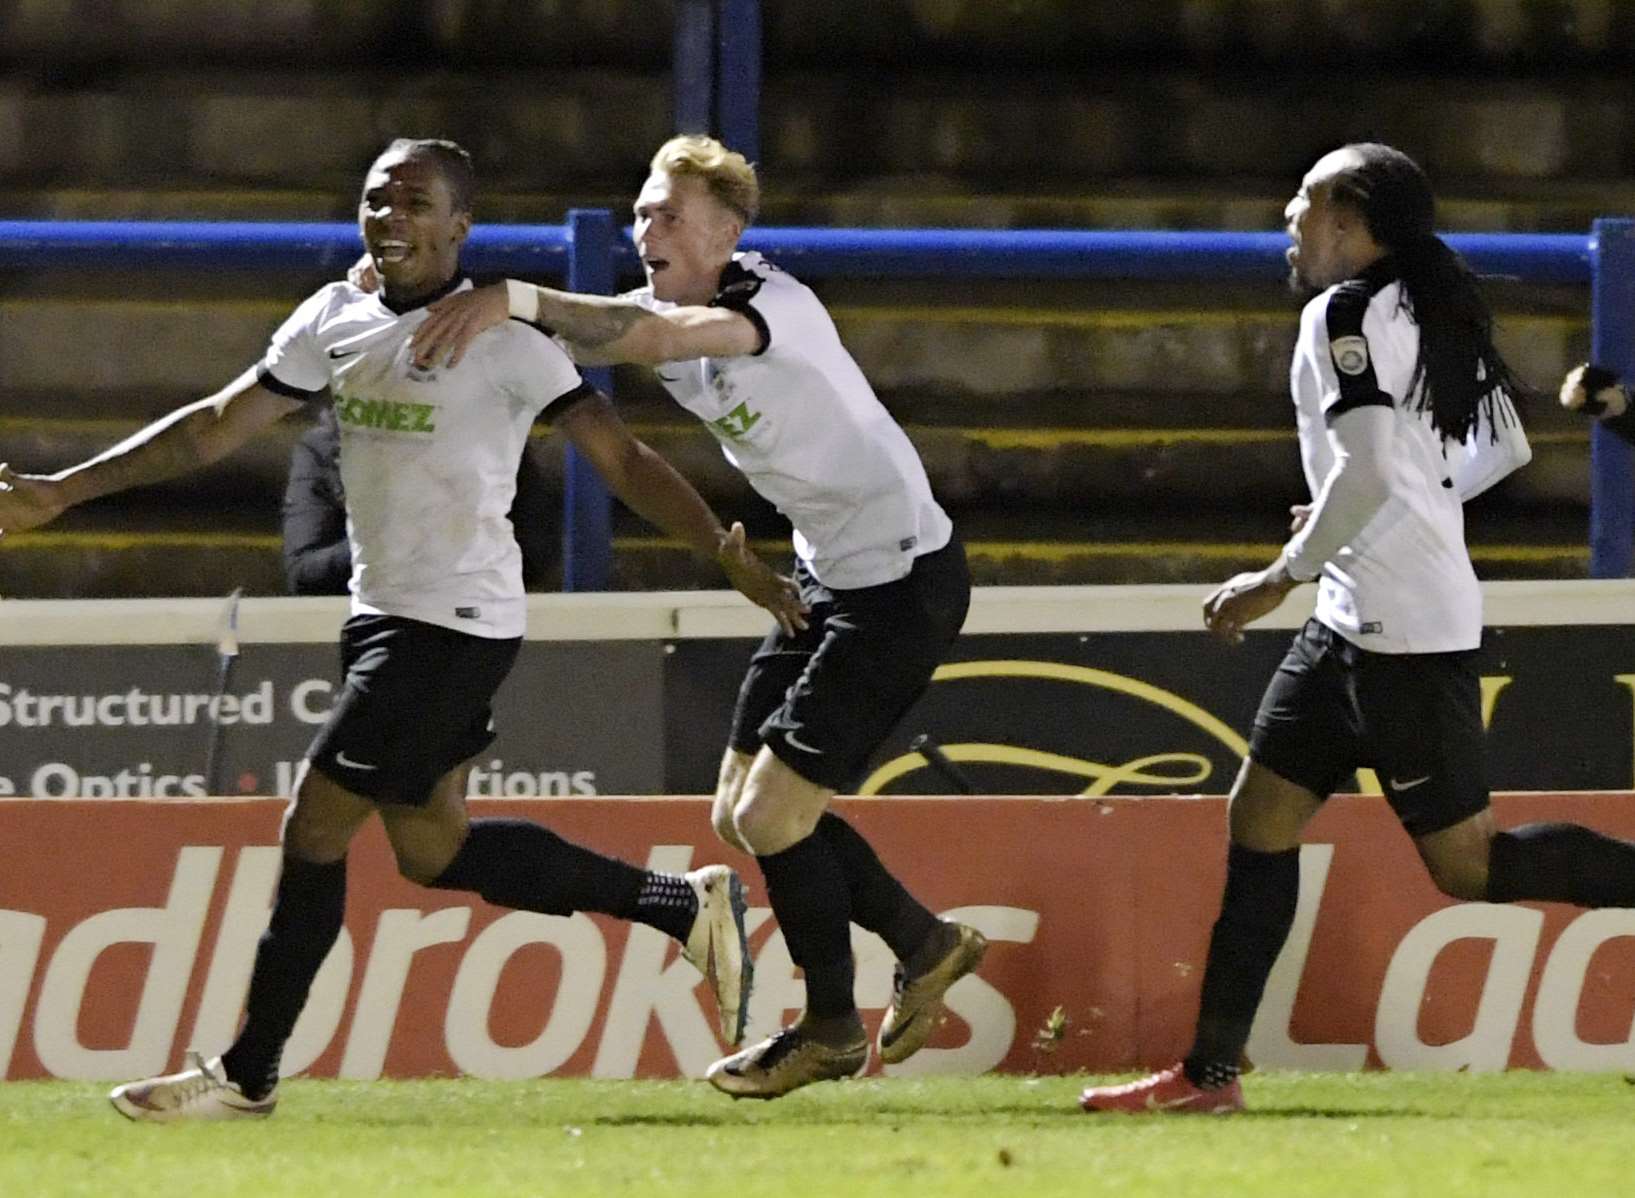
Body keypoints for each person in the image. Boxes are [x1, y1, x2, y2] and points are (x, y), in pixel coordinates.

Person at [0, 137, 807, 1121]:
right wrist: (65, 491)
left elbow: (623, 458)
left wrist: (727, 554)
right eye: (376, 201)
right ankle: (683, 903)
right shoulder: (331, 317)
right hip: (383, 615)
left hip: (456, 624)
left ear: (460, 227)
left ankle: (248, 1072)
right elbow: (215, 423)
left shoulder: (506, 339)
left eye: (415, 203)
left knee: (314, 826)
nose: (389, 218)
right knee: (433, 849)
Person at [407, 134, 988, 1100]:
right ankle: (924, 943)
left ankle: (832, 1028)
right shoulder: (665, 306)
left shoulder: (766, 308)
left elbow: (652, 341)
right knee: (738, 814)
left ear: (726, 235)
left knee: (772, 815)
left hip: (900, 586)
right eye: (640, 212)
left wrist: (506, 296)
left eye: (668, 215)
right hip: (826, 580)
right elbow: (611, 329)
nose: (645, 229)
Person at [1080, 143, 1635, 1115]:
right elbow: (1492, 448)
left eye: (1308, 201)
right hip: (1354, 620)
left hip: (1402, 634)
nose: (1290, 217)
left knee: (1468, 867)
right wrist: (1387, 511)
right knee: (1260, 817)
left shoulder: (1341, 314)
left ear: (1353, 223)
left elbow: (1373, 469)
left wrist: (1276, 575)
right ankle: (1208, 1076)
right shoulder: (1432, 298)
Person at [281, 404, 559, 595]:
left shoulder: (491, 436)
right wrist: (388, 535)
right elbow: (305, 575)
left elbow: (536, 557)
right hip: (370, 616)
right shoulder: (327, 445)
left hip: (470, 617)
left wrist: (462, 526)